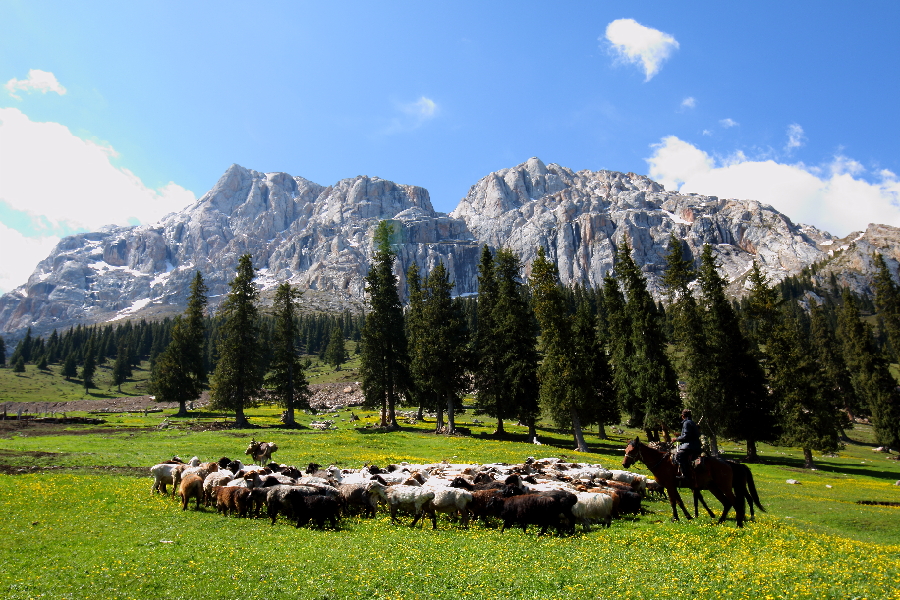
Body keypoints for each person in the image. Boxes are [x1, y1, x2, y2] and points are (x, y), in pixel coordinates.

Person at [674, 409, 701, 482]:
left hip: (689, 446)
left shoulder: (686, 423)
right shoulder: (692, 423)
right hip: (695, 445)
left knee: (679, 456)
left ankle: (685, 476)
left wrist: (676, 439)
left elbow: (686, 436)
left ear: (683, 416)